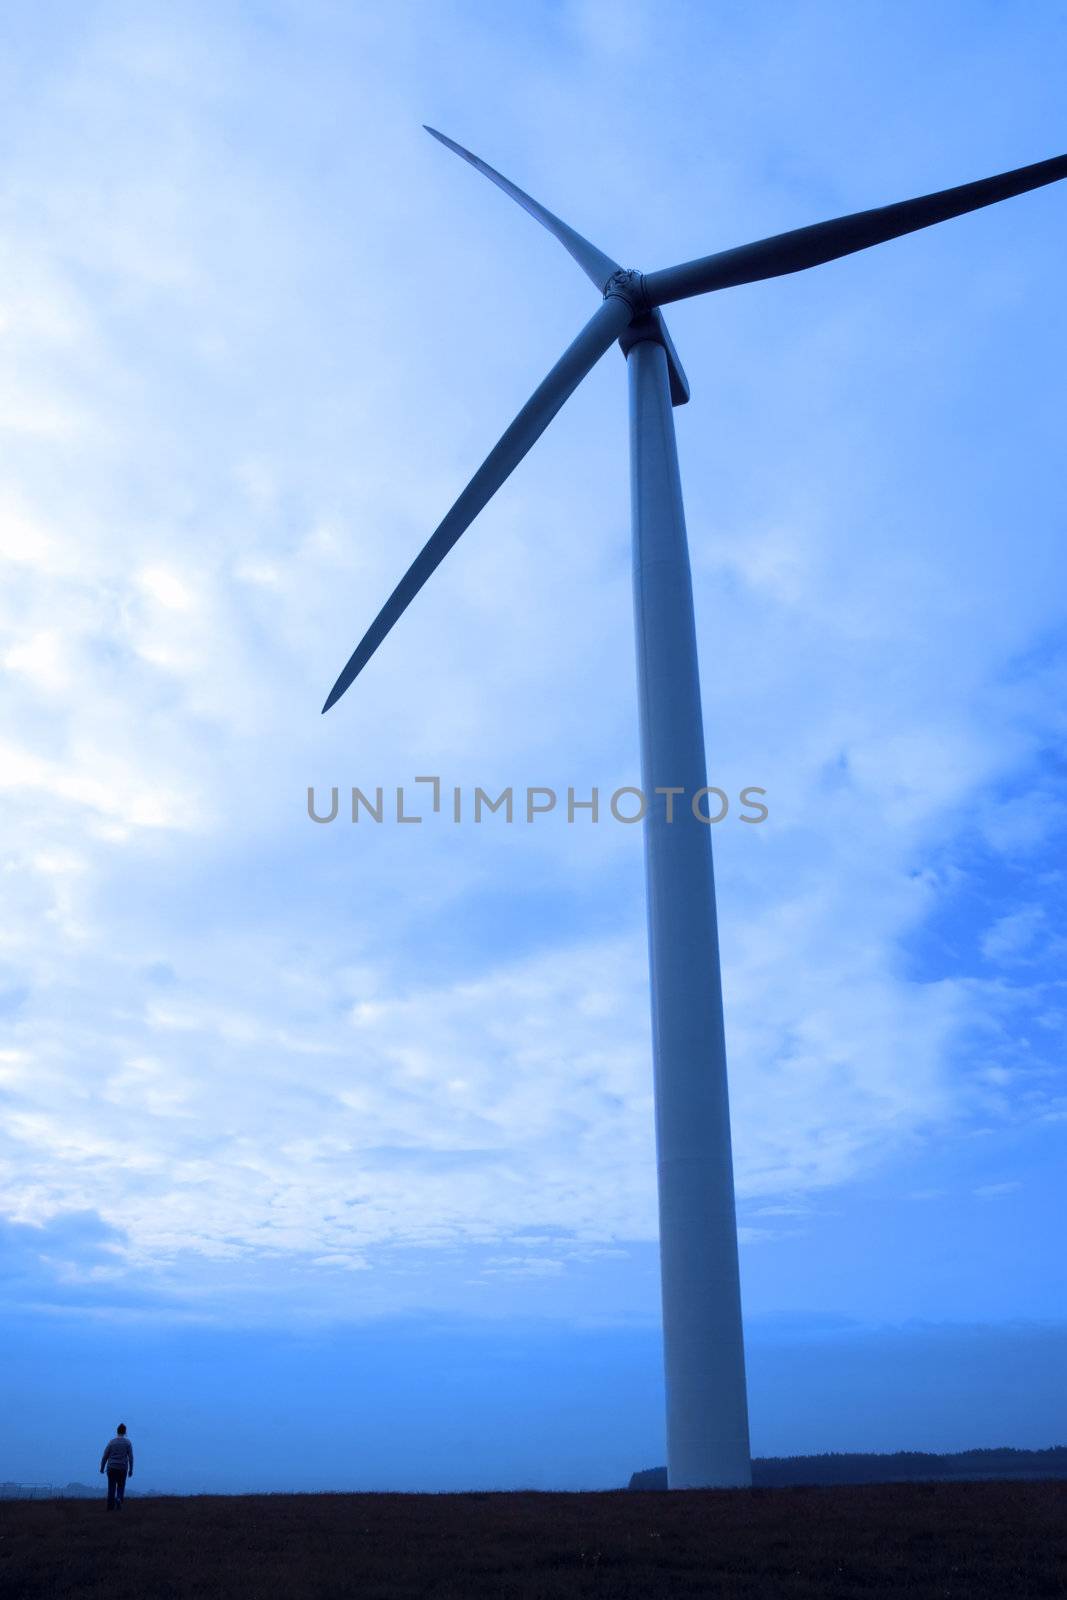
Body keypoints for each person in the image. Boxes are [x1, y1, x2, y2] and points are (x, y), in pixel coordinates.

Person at [99, 1423, 134, 1510]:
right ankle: (118, 1498)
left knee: (111, 1487)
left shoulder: (112, 1442)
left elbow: (105, 1456)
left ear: (117, 1431)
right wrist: (131, 1469)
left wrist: (102, 1467)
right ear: (125, 1432)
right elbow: (130, 1457)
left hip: (111, 1468)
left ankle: (110, 1507)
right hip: (122, 1468)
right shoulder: (127, 1443)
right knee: (121, 1485)